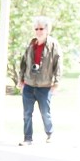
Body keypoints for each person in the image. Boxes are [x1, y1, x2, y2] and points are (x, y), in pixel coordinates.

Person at [18, 16, 62, 146]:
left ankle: (50, 133)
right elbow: (24, 62)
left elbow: (58, 64)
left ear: (47, 29)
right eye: (36, 28)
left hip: (45, 85)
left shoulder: (53, 44)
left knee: (45, 112)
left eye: (41, 28)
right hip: (29, 84)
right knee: (26, 114)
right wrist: (21, 79)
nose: (38, 31)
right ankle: (27, 138)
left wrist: (56, 82)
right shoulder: (31, 44)